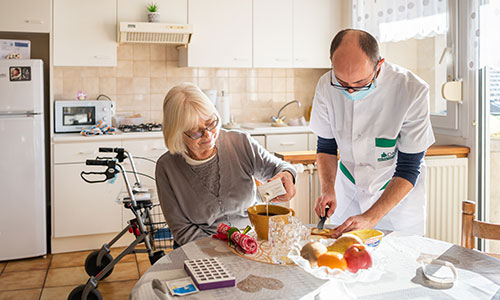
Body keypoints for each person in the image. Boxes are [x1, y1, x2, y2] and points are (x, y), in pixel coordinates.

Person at [310, 29, 435, 237]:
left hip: (396, 202)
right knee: (341, 261)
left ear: (379, 65)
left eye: (360, 83)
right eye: (342, 82)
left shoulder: (412, 90)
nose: (350, 90)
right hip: (349, 189)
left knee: (395, 265)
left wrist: (371, 217)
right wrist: (328, 189)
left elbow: (409, 167)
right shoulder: (325, 85)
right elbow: (326, 146)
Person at [156, 83, 297, 246]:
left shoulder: (240, 143)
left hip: (250, 241)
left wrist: (287, 175)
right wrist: (227, 248)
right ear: (176, 133)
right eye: (196, 131)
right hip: (200, 249)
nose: (208, 135)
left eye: (210, 123)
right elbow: (183, 231)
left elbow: (280, 168)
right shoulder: (167, 167)